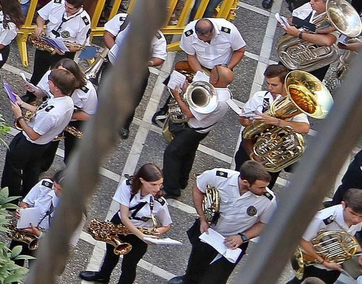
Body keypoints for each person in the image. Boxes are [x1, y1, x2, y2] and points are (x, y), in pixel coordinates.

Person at [173, 164, 276, 284]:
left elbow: (264, 224)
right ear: (246, 182)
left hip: (233, 243)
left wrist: (243, 237)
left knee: (216, 279)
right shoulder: (217, 176)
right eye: (261, 187)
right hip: (208, 233)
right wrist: (202, 218)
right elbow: (198, 189)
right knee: (195, 267)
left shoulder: (268, 200)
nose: (265, 190)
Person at [80, 163, 172, 284]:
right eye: (153, 184)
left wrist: (157, 232)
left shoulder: (160, 203)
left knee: (129, 265)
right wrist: (143, 236)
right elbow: (124, 217)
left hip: (140, 234)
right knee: (111, 254)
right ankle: (103, 276)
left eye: (160, 184)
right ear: (142, 180)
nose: (158, 188)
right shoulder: (127, 186)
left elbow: (167, 225)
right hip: (121, 225)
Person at [1, 67, 76, 198]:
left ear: (57, 88)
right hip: (43, 144)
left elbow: (33, 135)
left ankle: (8, 201)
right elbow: (42, 109)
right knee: (31, 171)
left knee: (12, 170)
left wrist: (19, 116)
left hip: (28, 143)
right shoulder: (67, 101)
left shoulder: (52, 114)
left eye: (50, 82)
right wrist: (22, 104)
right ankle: (28, 196)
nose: (48, 83)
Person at [161, 65, 234, 199]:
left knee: (171, 153)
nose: (209, 76)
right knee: (187, 154)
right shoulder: (225, 92)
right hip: (201, 130)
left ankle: (171, 189)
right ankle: (182, 180)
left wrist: (178, 96)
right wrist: (187, 90)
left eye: (212, 74)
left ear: (216, 80)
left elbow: (189, 114)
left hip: (192, 130)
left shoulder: (216, 101)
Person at [29, 0, 93, 84]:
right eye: (65, 6)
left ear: (80, 7)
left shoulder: (84, 21)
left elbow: (79, 45)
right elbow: (41, 17)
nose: (66, 9)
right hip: (46, 43)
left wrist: (64, 49)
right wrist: (40, 27)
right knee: (37, 74)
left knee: (56, 81)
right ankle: (31, 92)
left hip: (63, 53)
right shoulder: (57, 3)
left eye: (70, 8)